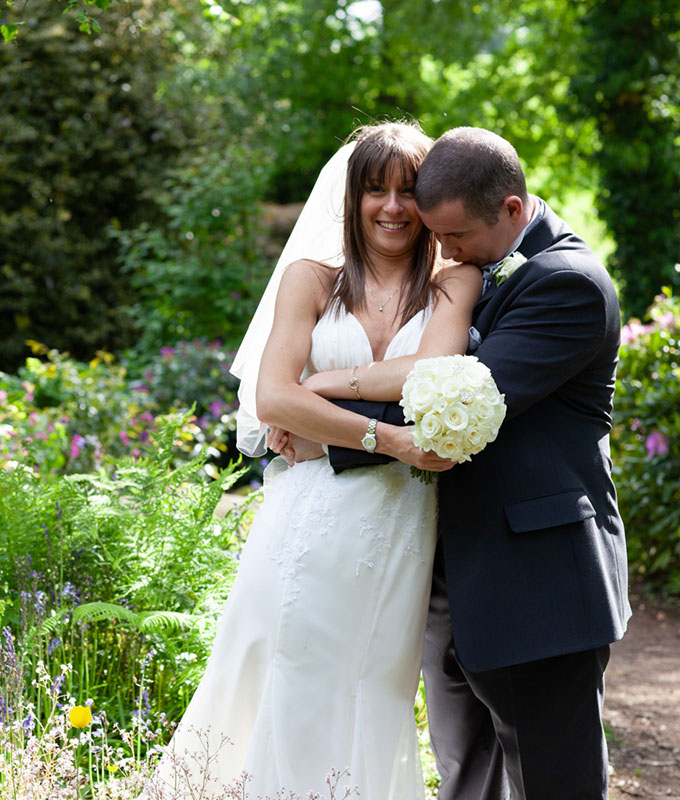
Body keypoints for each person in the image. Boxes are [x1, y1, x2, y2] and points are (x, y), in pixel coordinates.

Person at [142, 122, 481, 800]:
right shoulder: (310, 280)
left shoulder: (454, 283)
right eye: (375, 190)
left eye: (408, 191)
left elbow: (433, 370)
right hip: (304, 518)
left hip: (398, 526)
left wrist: (315, 393)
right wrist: (389, 440)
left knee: (370, 685)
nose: (391, 207)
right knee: (282, 669)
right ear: (350, 198)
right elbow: (271, 396)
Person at [323, 127, 630, 799]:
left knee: (556, 784)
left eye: (455, 237)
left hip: (539, 587)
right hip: (455, 575)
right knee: (468, 779)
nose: (443, 251)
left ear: (513, 211)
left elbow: (459, 407)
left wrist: (317, 424)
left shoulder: (567, 284)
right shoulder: (474, 263)